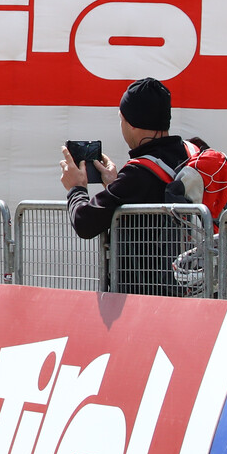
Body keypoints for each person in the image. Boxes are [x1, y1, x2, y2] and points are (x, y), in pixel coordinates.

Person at [58, 77, 190, 296]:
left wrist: (76, 188)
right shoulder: (188, 156)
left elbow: (84, 222)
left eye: (121, 119)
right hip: (184, 290)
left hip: (142, 299)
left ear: (132, 123)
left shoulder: (138, 173)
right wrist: (114, 182)